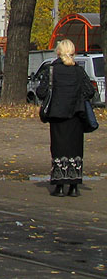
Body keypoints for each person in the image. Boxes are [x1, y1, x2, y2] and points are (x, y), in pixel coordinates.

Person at [35, 39, 96, 196]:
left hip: (57, 116)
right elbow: (90, 91)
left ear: (58, 52)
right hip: (76, 115)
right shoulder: (78, 71)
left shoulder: (52, 70)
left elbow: (41, 92)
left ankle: (59, 186)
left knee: (59, 149)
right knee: (75, 149)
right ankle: (74, 187)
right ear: (73, 53)